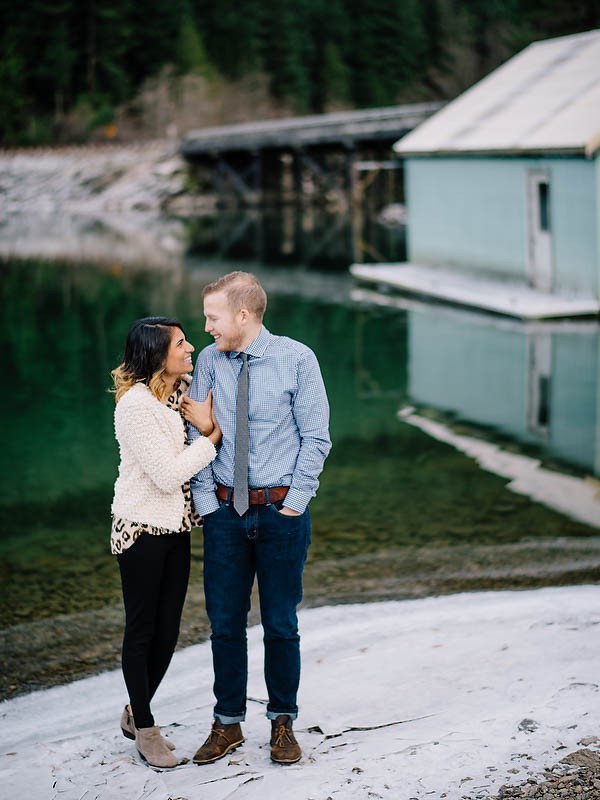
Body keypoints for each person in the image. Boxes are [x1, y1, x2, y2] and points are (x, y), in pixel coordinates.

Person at [182, 271, 331, 765]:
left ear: (242, 315)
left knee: (281, 624)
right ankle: (227, 724)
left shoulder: (297, 359)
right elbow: (195, 434)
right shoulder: (207, 361)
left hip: (281, 514)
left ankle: (282, 721)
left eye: (213, 317)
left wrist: (298, 499)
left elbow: (316, 438)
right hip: (224, 512)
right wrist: (206, 502)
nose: (206, 327)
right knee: (224, 623)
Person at [110, 316, 221, 769]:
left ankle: (136, 711)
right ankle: (147, 729)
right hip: (139, 529)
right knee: (142, 631)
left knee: (169, 631)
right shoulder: (135, 406)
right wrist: (213, 437)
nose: (190, 347)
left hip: (175, 528)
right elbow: (169, 473)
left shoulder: (176, 392)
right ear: (158, 355)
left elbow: (216, 377)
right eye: (180, 343)